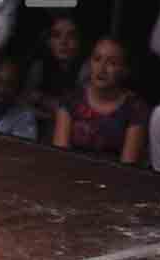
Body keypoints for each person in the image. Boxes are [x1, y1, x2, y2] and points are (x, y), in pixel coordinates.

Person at [53, 36, 148, 164]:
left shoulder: (135, 108)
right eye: (97, 59)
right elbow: (60, 157)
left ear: (124, 70)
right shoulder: (71, 100)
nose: (101, 68)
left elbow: (127, 167)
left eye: (112, 63)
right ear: (89, 63)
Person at [24, 13, 90, 140]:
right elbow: (25, 101)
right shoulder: (39, 66)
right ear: (49, 41)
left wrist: (41, 99)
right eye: (56, 35)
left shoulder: (86, 69)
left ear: (79, 41)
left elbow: (79, 110)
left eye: (71, 36)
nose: (63, 42)